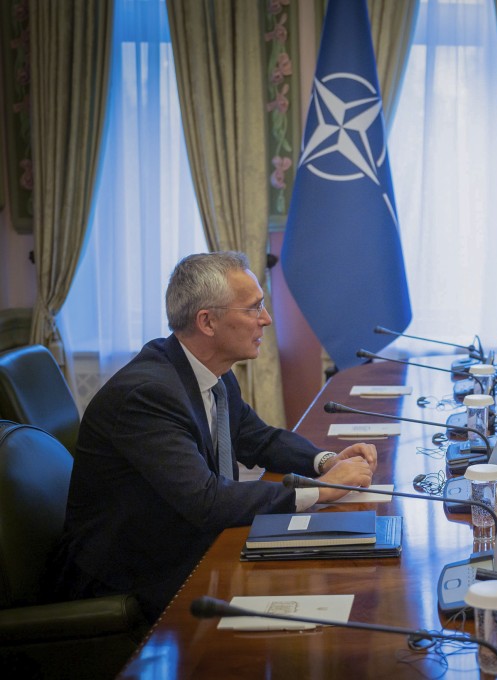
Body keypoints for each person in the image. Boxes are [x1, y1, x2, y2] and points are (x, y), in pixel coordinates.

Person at [52, 251, 377, 623]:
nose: (266, 319)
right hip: (128, 575)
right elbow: (205, 500)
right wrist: (321, 490)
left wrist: (325, 462)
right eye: (254, 308)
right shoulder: (148, 395)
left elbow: (260, 438)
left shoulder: (212, 372)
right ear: (207, 321)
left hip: (182, 542)